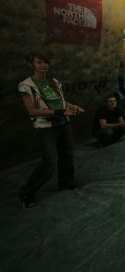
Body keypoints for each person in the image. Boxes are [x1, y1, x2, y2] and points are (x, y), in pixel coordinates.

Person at [17, 51, 85, 209]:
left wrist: (73, 106)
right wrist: (59, 112)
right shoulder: (25, 85)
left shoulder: (53, 81)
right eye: (39, 62)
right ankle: (26, 193)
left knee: (67, 155)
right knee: (49, 162)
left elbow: (61, 102)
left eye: (45, 62)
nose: (43, 65)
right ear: (31, 65)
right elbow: (32, 111)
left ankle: (65, 183)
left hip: (63, 124)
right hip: (46, 127)